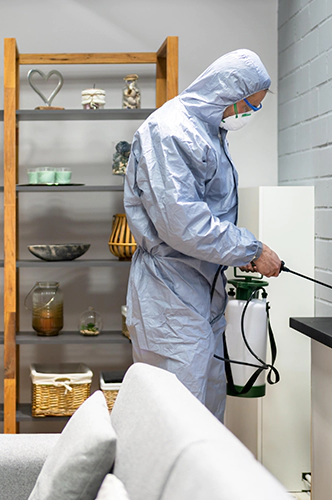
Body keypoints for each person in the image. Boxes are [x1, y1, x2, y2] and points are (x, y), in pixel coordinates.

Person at [123, 49, 281, 421]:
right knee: (176, 426)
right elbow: (184, 225)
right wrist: (250, 250)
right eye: (249, 106)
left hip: (198, 294)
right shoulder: (170, 131)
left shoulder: (208, 130)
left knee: (205, 420)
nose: (248, 115)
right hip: (170, 299)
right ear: (227, 94)